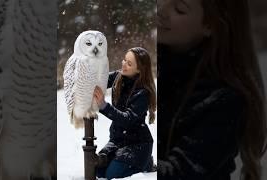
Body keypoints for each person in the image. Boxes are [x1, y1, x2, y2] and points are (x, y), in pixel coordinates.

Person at [158, 0, 266, 180]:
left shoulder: (224, 100)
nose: (160, 10)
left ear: (210, 25)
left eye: (179, 9)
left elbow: (179, 174)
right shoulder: (149, 65)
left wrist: (129, 161)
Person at [93, 47, 157, 179]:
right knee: (97, 171)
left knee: (112, 175)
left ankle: (146, 163)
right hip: (117, 140)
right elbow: (99, 81)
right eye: (124, 60)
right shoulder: (118, 76)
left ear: (139, 69)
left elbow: (127, 119)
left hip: (137, 144)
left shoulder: (143, 93)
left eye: (129, 63)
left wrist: (104, 106)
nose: (124, 64)